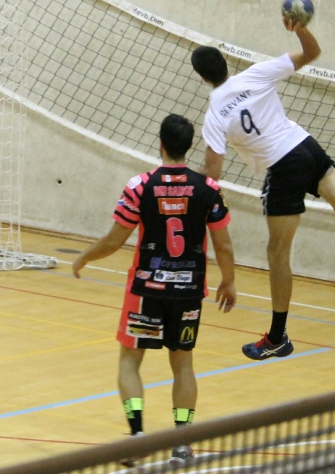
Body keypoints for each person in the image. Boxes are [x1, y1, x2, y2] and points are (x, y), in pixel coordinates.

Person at [190, 16, 335, 362]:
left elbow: (212, 173)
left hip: (284, 167)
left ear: (204, 78)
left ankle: (277, 337)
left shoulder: (215, 114)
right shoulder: (256, 73)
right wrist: (298, 28)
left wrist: (190, 195)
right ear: (226, 63)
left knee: (277, 253)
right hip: (307, 148)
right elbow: (312, 52)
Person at [72, 114, 236, 466]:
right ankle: (182, 440)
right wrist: (229, 280)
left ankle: (137, 435)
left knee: (130, 363)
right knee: (184, 365)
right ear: (188, 146)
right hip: (189, 291)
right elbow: (223, 245)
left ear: (160, 142)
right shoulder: (208, 188)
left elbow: (116, 239)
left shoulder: (139, 186)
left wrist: (84, 257)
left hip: (146, 289)